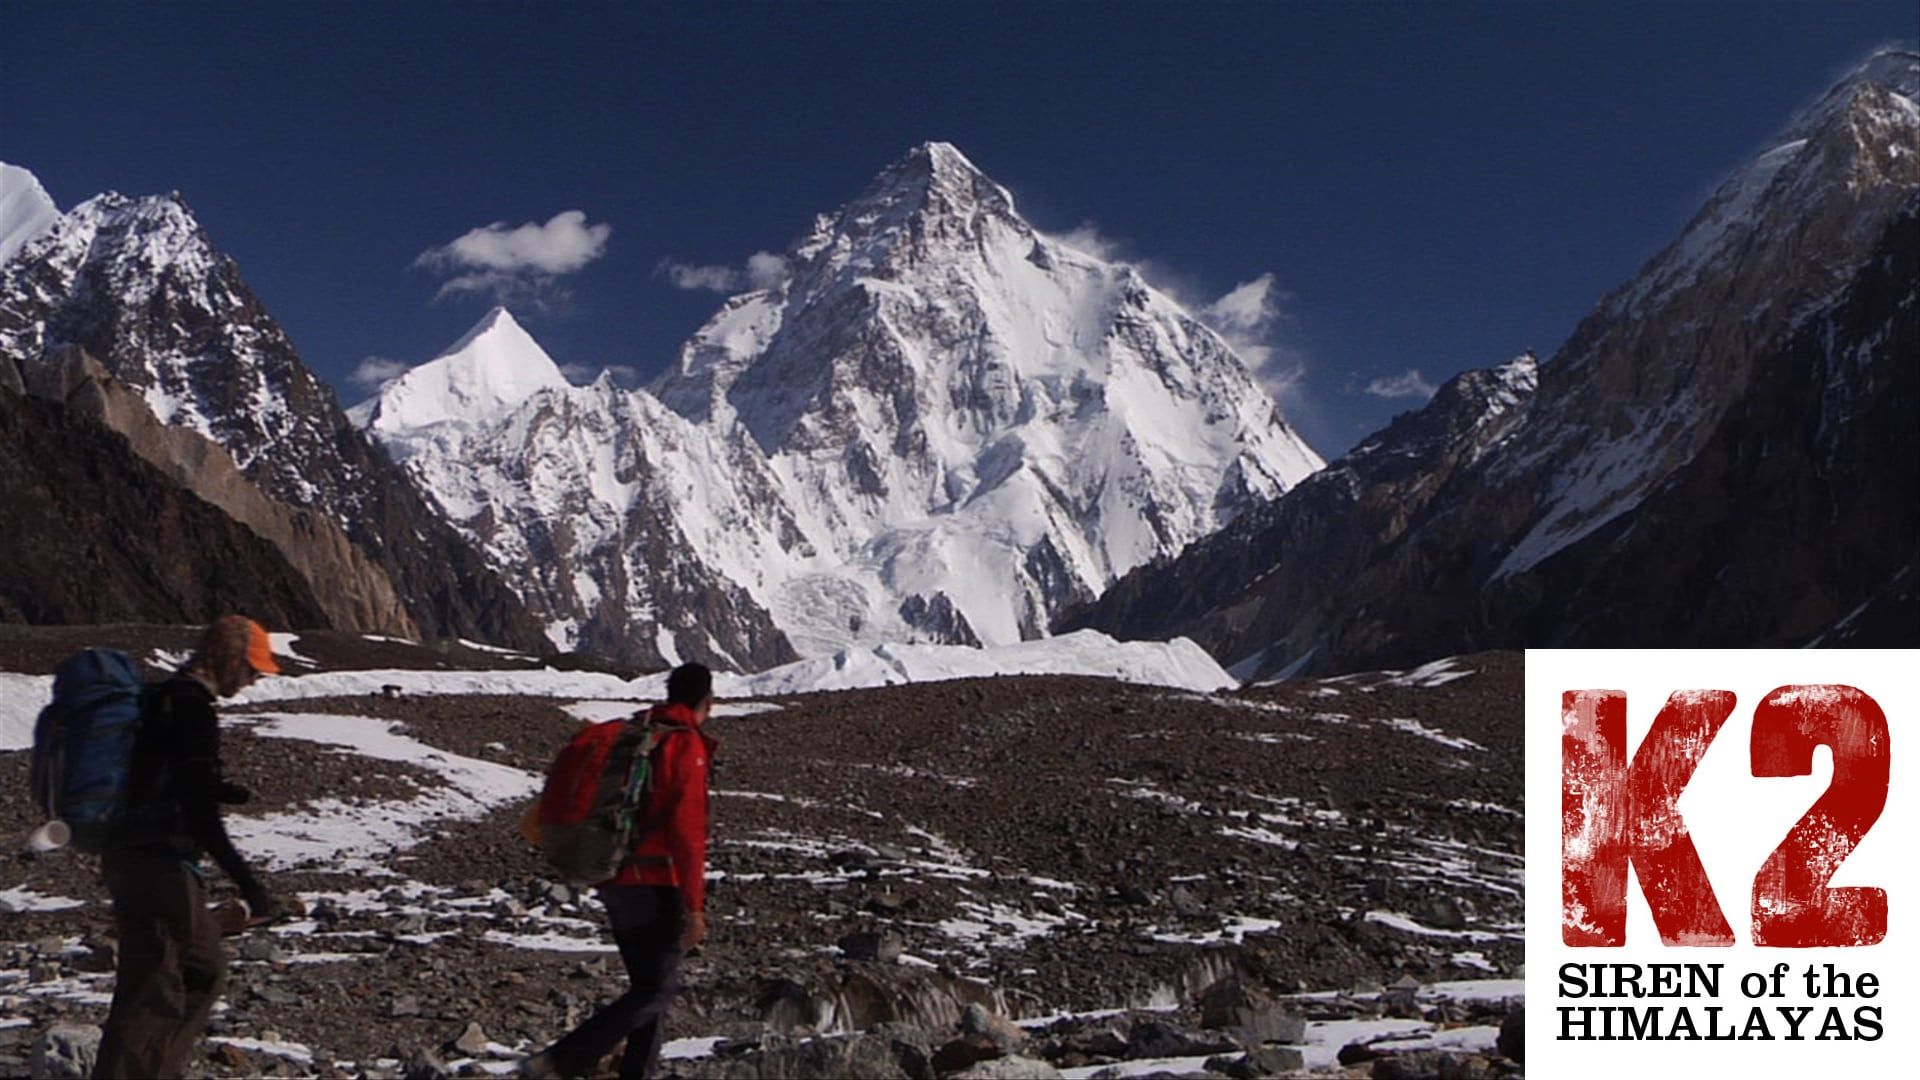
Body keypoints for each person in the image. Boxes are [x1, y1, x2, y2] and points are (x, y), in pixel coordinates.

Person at [93, 615, 281, 1080]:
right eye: (253, 667)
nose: (257, 678)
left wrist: (217, 788)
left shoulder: (162, 698)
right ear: (231, 660)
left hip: (138, 853)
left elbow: (162, 776)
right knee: (153, 986)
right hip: (158, 863)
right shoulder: (192, 709)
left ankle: (156, 1069)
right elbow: (199, 813)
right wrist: (249, 886)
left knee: (203, 966)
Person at [523, 662, 718, 1080]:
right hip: (655, 883)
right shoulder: (684, 745)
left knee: (647, 990)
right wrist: (695, 908)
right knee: (658, 991)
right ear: (708, 702)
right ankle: (563, 1060)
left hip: (614, 877)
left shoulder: (640, 733)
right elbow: (687, 832)